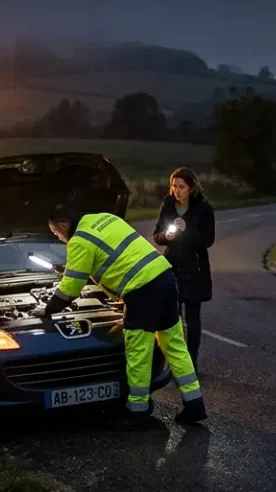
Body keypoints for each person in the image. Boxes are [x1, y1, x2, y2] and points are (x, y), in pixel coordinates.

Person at [36, 204, 207, 429]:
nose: (58, 238)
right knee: (175, 345)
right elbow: (115, 255)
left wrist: (47, 310)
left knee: (139, 353)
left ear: (62, 225)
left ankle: (137, 412)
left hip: (142, 292)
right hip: (165, 278)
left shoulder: (79, 240)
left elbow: (70, 290)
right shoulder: (104, 218)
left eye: (56, 233)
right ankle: (195, 405)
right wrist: (71, 268)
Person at [153, 167, 215, 368]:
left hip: (194, 268)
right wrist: (166, 236)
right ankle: (176, 361)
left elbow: (208, 239)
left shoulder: (203, 209)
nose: (177, 190)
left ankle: (192, 361)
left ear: (191, 188)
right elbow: (157, 235)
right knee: (173, 317)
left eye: (181, 187)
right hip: (172, 266)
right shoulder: (168, 204)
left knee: (193, 317)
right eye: (174, 186)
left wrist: (187, 231)